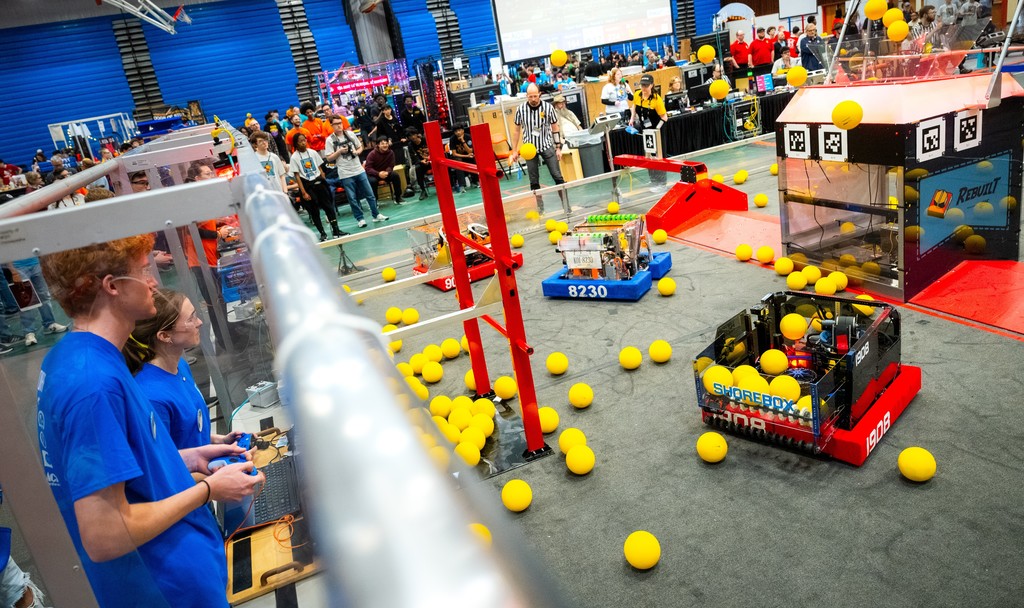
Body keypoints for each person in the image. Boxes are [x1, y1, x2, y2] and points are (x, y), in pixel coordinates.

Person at [36, 235, 264, 608]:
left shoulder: (79, 358)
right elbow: (105, 535)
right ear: (112, 287)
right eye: (143, 271)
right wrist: (209, 490)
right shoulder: (92, 382)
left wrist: (186, 457)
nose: (154, 282)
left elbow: (120, 460)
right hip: (163, 586)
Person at [123, 289, 241, 449]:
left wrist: (219, 441)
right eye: (190, 319)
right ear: (164, 336)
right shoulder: (152, 398)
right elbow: (165, 463)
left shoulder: (180, 366)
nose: (199, 322)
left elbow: (186, 434)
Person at [324, 117, 388, 227]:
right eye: (336, 124)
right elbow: (329, 158)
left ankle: (376, 215)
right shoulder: (329, 140)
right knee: (352, 198)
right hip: (345, 174)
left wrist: (356, 152)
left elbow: (360, 147)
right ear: (331, 125)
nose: (339, 125)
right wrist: (339, 151)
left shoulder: (350, 135)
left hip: (358, 169)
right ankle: (360, 219)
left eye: (340, 123)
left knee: (370, 194)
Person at [289, 133, 346, 241]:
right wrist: (304, 192)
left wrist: (323, 179)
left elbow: (320, 168)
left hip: (319, 183)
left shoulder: (312, 152)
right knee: (315, 212)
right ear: (296, 144)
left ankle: (336, 230)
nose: (303, 142)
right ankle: (322, 233)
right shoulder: (294, 157)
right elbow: (297, 176)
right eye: (300, 141)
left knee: (329, 208)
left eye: (304, 140)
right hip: (308, 186)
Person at [509, 83, 566, 193]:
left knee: (557, 176)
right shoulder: (520, 109)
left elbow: (555, 127)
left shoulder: (548, 108)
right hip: (529, 148)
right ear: (526, 96)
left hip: (546, 144)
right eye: (530, 96)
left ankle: (566, 205)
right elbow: (516, 130)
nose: (533, 99)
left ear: (540, 94)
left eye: (535, 96)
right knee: (534, 181)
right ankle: (540, 209)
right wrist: (514, 150)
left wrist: (558, 147)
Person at [446, 125, 476, 194]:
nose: (458, 132)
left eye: (459, 130)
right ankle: (462, 185)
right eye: (456, 131)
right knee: (458, 163)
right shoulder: (452, 139)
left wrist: (463, 141)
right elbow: (454, 154)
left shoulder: (468, 137)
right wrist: (466, 156)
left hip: (468, 156)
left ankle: (475, 181)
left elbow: (470, 151)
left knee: (472, 158)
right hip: (459, 157)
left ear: (463, 130)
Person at [406, 129, 432, 200]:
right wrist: (421, 161)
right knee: (417, 168)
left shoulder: (425, 140)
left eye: (413, 135)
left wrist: (429, 158)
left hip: (432, 160)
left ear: (417, 134)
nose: (413, 137)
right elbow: (414, 157)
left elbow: (433, 149)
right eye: (410, 136)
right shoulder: (410, 145)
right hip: (422, 163)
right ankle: (423, 190)